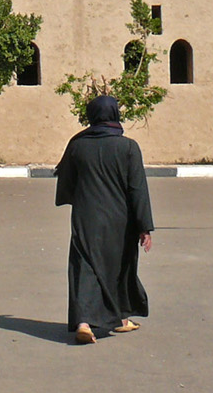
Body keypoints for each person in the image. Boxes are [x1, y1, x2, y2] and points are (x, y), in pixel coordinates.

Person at [54, 95, 155, 345]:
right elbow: (137, 189)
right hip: (119, 220)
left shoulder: (77, 145)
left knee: (84, 268)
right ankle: (120, 318)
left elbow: (66, 182)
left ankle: (85, 324)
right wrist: (145, 227)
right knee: (118, 268)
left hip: (85, 217)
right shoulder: (128, 147)